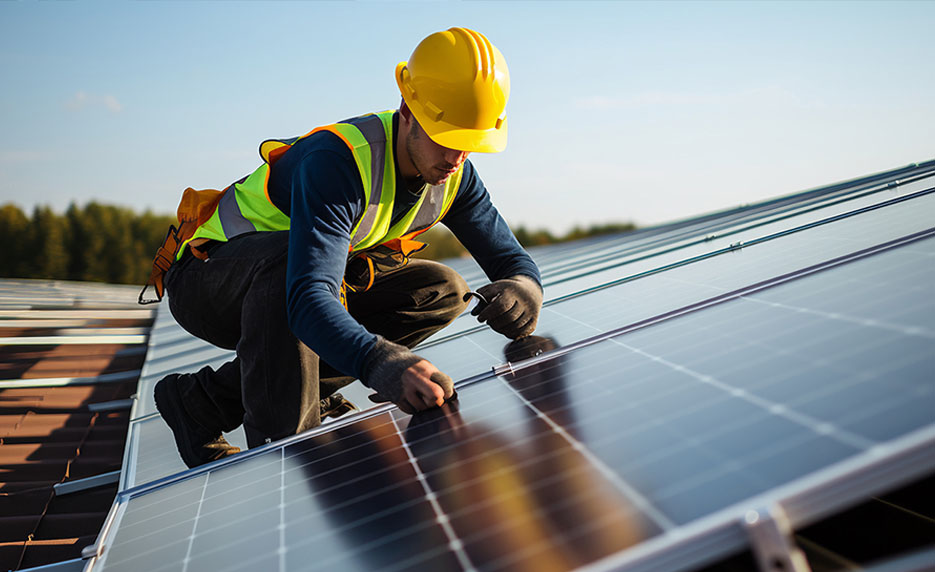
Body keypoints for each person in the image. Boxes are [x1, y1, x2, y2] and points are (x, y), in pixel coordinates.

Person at [147, 27, 543, 469]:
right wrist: (380, 361)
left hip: (285, 289)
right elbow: (307, 298)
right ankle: (283, 454)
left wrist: (526, 287)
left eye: (470, 146)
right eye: (446, 137)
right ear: (407, 111)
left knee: (442, 289)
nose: (456, 160)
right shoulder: (339, 161)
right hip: (209, 281)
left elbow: (511, 260)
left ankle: (203, 403)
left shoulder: (454, 176)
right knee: (289, 272)